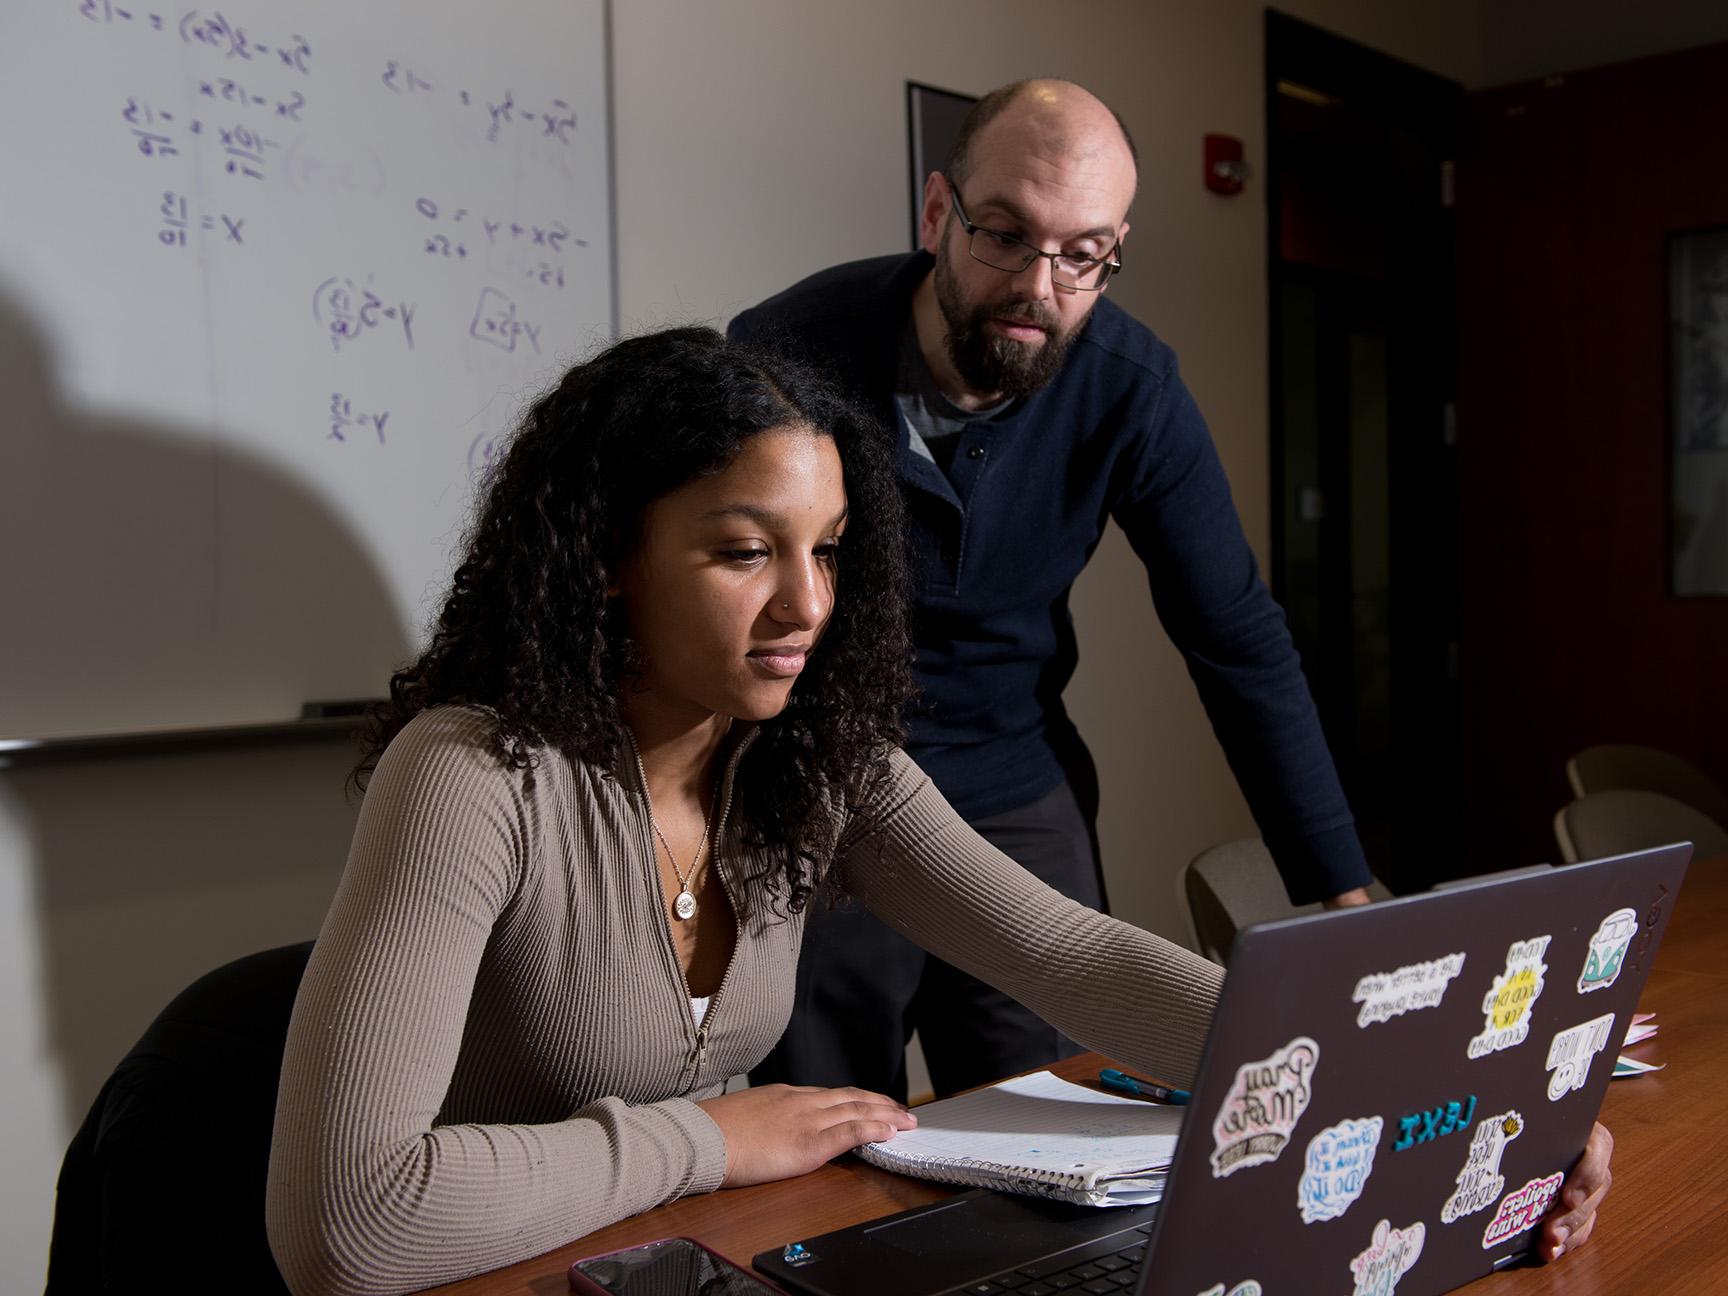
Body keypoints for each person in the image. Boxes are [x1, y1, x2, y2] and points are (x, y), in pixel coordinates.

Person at [263, 328, 1228, 1294]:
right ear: (607, 553)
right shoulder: (471, 776)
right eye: (746, 552)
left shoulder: (817, 764)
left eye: (829, 551)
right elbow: (350, 1221)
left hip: (695, 1260)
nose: (807, 603)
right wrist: (705, 1140)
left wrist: (1313, 1048)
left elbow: (1061, 952)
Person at [729, 78, 1372, 1101]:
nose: (1040, 286)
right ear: (938, 213)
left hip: (1011, 779)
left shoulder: (1130, 388)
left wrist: (1340, 892)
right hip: (819, 784)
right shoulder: (787, 351)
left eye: (1084, 255)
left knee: (1054, 1112)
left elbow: (1236, 634)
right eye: (1006, 236)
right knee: (823, 1134)